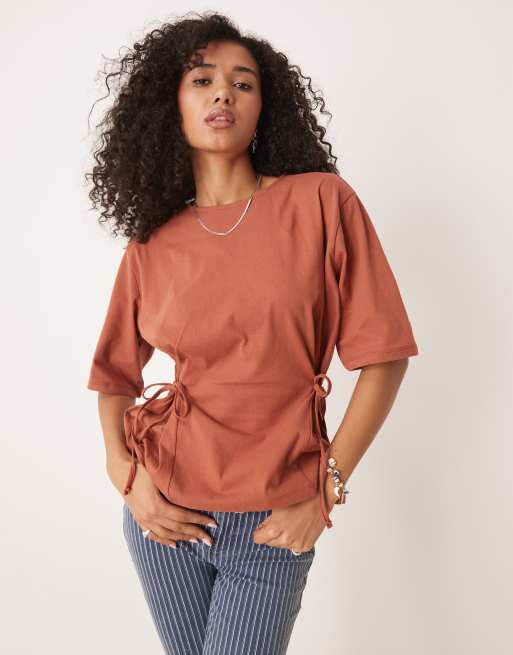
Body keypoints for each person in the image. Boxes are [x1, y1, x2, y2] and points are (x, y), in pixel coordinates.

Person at [85, 11, 419, 655]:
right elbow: (113, 377)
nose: (223, 94)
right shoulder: (152, 243)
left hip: (273, 521)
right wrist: (126, 477)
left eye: (243, 83)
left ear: (265, 108)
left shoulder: (322, 203)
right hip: (166, 517)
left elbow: (385, 357)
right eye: (202, 80)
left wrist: (326, 489)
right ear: (169, 107)